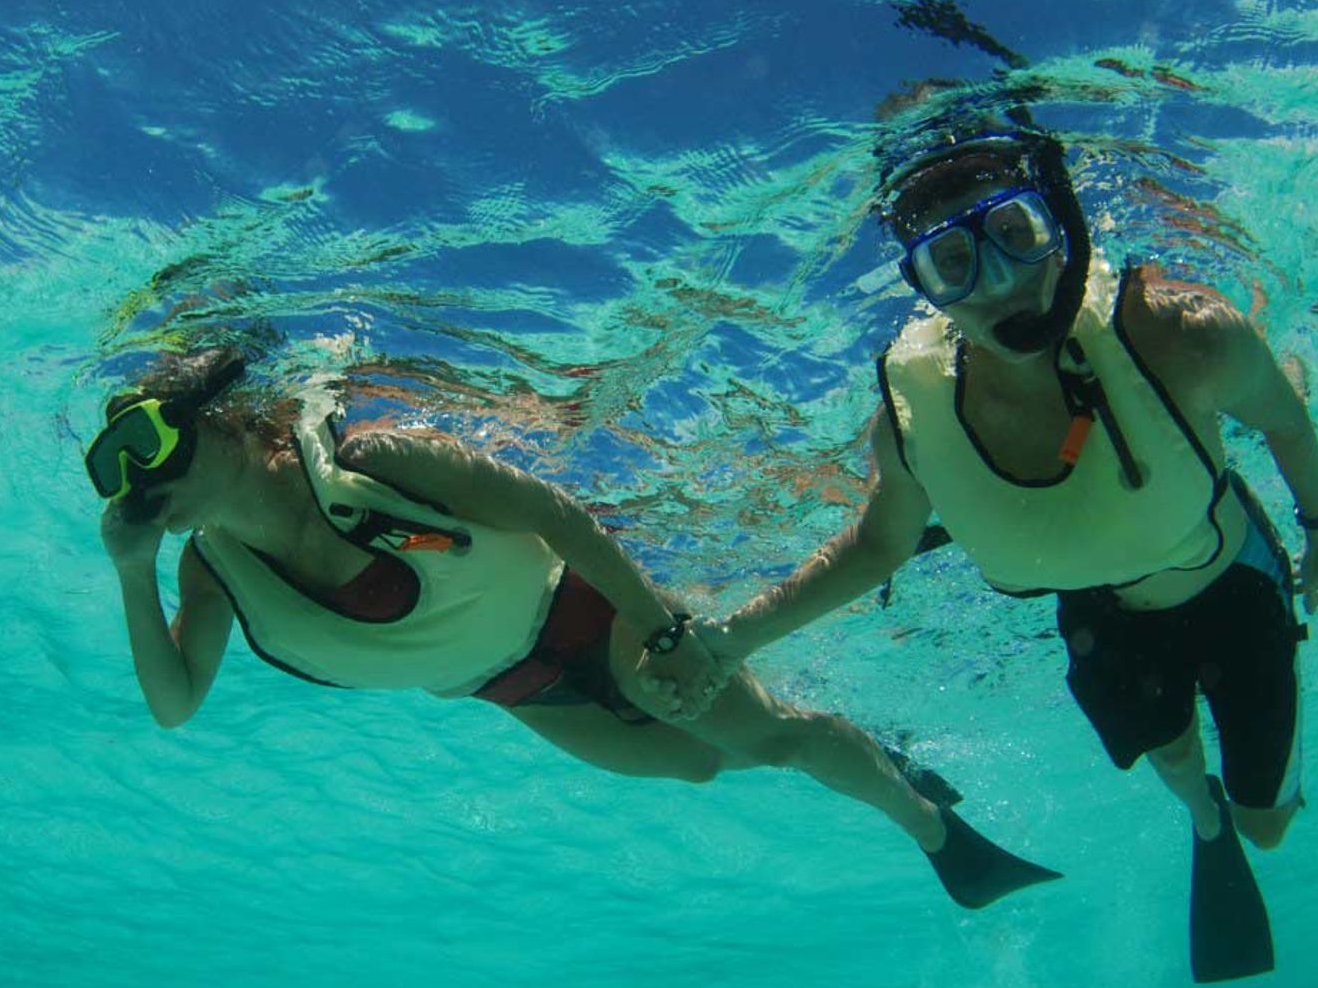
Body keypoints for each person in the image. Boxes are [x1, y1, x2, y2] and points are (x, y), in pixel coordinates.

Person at [677, 127, 1318, 981]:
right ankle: (1199, 814)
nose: (999, 283)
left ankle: (1234, 814)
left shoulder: (1184, 335)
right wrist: (729, 640)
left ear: (1060, 225)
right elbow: (875, 546)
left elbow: (1284, 421)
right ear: (926, 291)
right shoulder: (914, 425)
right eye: (952, 262)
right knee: (1174, 757)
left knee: (1270, 826)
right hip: (1105, 615)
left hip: (1232, 586)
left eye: (1018, 237)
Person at [85, 346, 1061, 910]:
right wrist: (133, 576)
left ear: (217, 424)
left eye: (149, 440)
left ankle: (938, 835)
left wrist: (663, 629)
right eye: (113, 468)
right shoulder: (210, 572)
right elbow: (174, 704)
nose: (139, 480)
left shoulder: (374, 459)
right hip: (516, 688)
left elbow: (558, 517)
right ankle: (885, 753)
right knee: (699, 761)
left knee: (760, 731)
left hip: (587, 609)